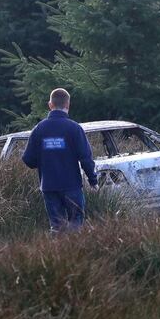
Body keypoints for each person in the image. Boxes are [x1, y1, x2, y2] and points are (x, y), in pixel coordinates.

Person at [22, 88, 98, 232]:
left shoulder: (39, 129)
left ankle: (58, 252)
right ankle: (76, 252)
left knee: (57, 227)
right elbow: (85, 158)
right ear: (68, 105)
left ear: (50, 105)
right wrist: (93, 181)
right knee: (76, 224)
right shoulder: (74, 128)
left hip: (49, 187)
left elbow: (28, 159)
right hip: (72, 186)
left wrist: (45, 160)